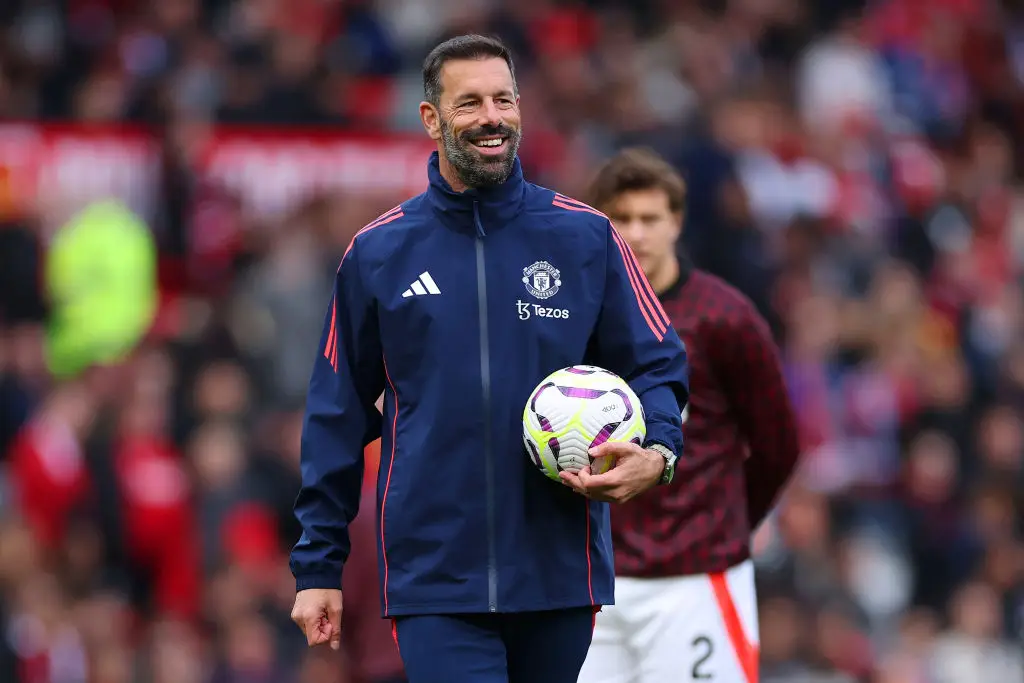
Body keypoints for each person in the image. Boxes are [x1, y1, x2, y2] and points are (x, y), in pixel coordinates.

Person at [288, 36, 689, 683]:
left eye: (504, 99)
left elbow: (658, 363)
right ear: (431, 118)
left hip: (560, 572)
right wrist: (318, 566)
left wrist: (659, 451)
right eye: (469, 103)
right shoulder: (379, 252)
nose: (491, 117)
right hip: (434, 578)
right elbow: (336, 412)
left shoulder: (585, 236)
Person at [576, 148, 801, 683]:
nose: (636, 233)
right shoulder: (573, 316)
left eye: (649, 218)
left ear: (676, 222)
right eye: (621, 218)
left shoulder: (725, 317)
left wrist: (723, 525)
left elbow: (778, 445)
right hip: (593, 579)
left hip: (696, 580)